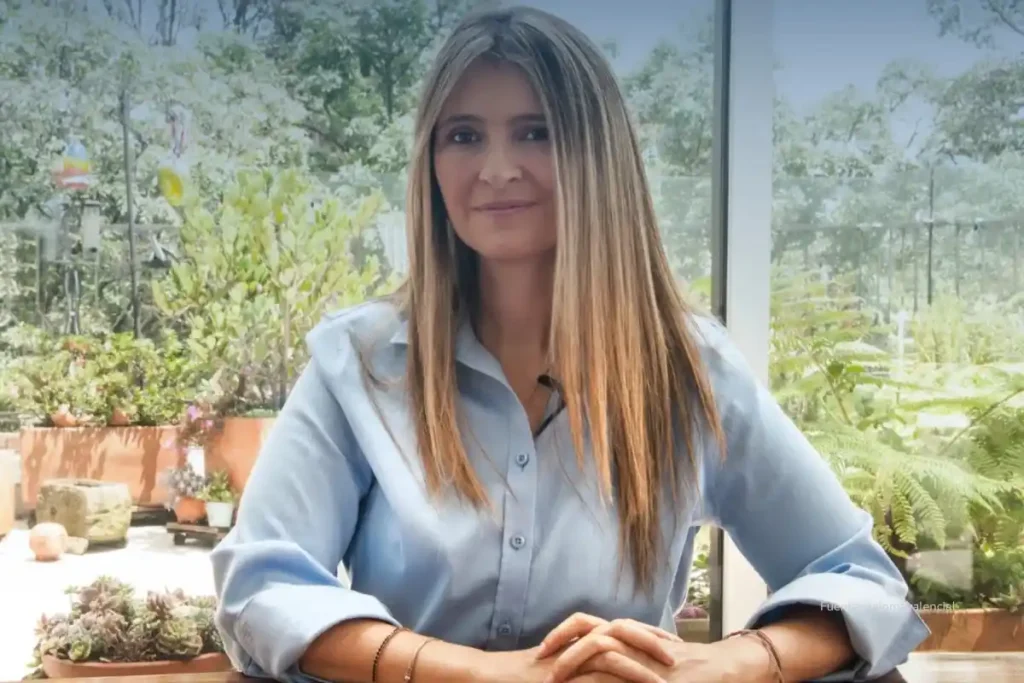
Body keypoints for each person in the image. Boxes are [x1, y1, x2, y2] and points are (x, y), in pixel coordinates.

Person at [210, 6, 929, 683]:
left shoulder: (690, 371)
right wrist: (482, 672)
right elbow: (262, 587)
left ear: (598, 155)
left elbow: (859, 581)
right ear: (431, 161)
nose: (496, 169)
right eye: (464, 135)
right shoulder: (357, 364)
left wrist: (730, 660)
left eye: (535, 132)